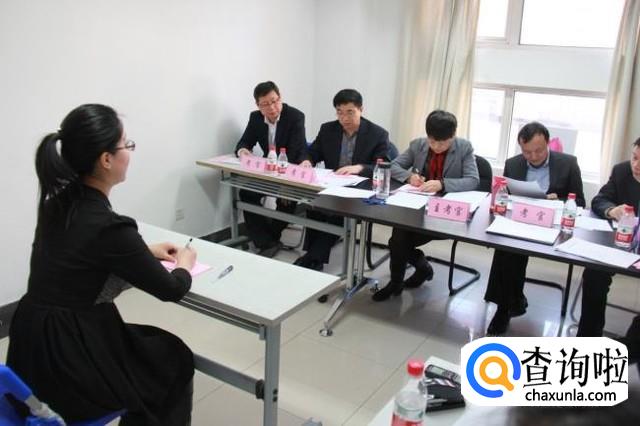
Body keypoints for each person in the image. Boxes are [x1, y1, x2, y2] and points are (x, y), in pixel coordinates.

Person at [6, 104, 197, 425]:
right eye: (126, 145)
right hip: (71, 359)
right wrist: (185, 264)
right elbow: (171, 289)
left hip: (29, 346)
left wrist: (144, 251)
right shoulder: (110, 227)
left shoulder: (56, 205)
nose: (130, 153)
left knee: (147, 347)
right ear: (106, 159)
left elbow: (82, 255)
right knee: (172, 357)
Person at [485, 122, 585, 335]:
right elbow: (506, 195)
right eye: (527, 152)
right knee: (505, 249)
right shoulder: (513, 164)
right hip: (522, 220)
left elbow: (580, 202)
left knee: (511, 253)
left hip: (554, 226)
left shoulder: (568, 163)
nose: (533, 156)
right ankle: (504, 308)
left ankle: (512, 302)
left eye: (538, 150)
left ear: (547, 143)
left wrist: (558, 200)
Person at [372, 110, 479, 301]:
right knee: (398, 236)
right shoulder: (418, 145)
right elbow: (393, 165)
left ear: (453, 136)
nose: (436, 147)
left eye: (442, 143)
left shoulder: (464, 148)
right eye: (432, 141)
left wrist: (443, 184)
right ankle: (400, 281)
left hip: (444, 215)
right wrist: (409, 177)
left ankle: (418, 270)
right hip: (416, 208)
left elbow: (473, 180)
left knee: (397, 242)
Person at [293, 89, 389, 270]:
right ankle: (314, 257)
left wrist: (359, 168)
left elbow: (383, 165)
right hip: (333, 185)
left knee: (337, 212)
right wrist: (306, 161)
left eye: (350, 112)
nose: (344, 118)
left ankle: (313, 258)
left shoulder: (377, 134)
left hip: (359, 191)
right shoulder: (328, 129)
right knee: (314, 206)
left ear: (361, 109)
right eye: (339, 112)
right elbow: (312, 152)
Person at [577, 138, 640, 356]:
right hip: (621, 244)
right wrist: (612, 210)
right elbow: (599, 200)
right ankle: (588, 340)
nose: (636, 165)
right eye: (634, 158)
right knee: (595, 273)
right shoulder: (622, 171)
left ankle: (628, 348)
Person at [235, 81, 307, 257]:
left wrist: (285, 183)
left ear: (280, 97)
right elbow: (244, 142)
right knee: (246, 193)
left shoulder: (295, 116)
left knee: (286, 200)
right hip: (268, 171)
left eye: (274, 101)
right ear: (258, 105)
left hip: (290, 170)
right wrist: (243, 151)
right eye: (265, 104)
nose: (272, 107)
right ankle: (267, 242)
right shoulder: (256, 118)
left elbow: (296, 152)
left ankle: (268, 240)